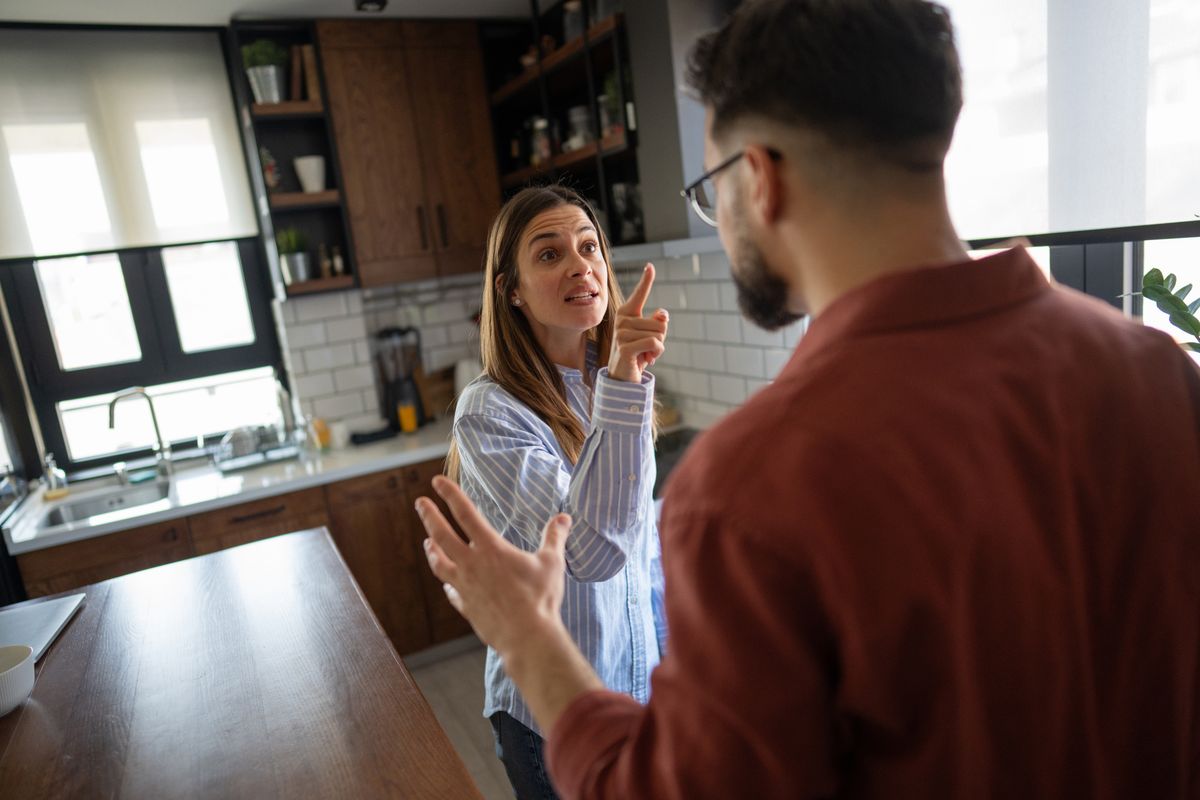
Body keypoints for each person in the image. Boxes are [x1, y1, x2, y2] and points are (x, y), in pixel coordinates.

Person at [418, 0, 1200, 796]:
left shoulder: (751, 484)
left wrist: (527, 640)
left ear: (757, 179)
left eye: (710, 186)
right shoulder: (1160, 375)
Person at [443, 185, 668, 799]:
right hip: (551, 721)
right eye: (548, 254)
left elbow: (636, 547)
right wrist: (625, 379)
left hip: (636, 695)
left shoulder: (613, 381)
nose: (579, 264)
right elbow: (591, 553)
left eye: (589, 246)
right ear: (510, 289)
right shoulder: (490, 412)